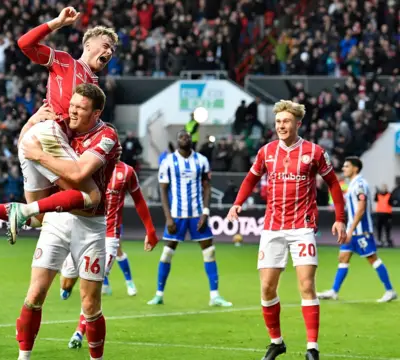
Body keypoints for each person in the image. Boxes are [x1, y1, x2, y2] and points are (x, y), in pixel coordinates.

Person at [0, 7, 118, 243]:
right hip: (49, 135)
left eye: (113, 49)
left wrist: (109, 145)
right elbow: (24, 44)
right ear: (88, 44)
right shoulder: (66, 61)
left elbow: (86, 129)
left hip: (35, 138)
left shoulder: (94, 85)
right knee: (91, 196)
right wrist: (57, 23)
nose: (110, 50)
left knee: (39, 217)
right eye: (106, 44)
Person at [227, 100, 347, 360]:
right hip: (272, 228)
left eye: (286, 122)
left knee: (306, 285)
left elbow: (334, 185)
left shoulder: (314, 152)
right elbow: (250, 179)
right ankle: (276, 342)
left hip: (302, 227)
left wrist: (340, 218)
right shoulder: (266, 152)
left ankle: (312, 348)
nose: (281, 126)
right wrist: (237, 204)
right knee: (267, 288)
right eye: (278, 122)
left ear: (298, 124)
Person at [10, 84, 121, 360]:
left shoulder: (106, 136)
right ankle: (23, 358)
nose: (72, 110)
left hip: (92, 227)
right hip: (58, 220)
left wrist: (40, 155)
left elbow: (79, 171)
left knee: (90, 303)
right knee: (35, 293)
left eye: (80, 108)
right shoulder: (63, 126)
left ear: (96, 113)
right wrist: (31, 120)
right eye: (72, 104)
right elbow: (25, 144)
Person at [59, 160, 158, 349]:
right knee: (66, 283)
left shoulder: (127, 172)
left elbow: (139, 200)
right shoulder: (86, 166)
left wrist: (150, 231)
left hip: (109, 237)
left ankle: (79, 333)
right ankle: (67, 285)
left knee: (92, 288)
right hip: (83, 231)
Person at [147, 129, 232, 307]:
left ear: (191, 140)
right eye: (181, 136)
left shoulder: (201, 160)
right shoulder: (168, 161)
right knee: (166, 254)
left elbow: (207, 187)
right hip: (177, 215)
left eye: (186, 136)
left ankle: (214, 296)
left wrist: (206, 212)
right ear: (177, 141)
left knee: (209, 252)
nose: (184, 138)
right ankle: (159, 294)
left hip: (197, 215)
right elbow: (163, 189)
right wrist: (168, 217)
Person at [317, 157, 397, 302]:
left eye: (346, 166)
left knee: (372, 259)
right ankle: (334, 291)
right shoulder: (352, 184)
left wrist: (351, 229)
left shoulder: (360, 184)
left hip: (361, 231)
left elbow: (361, 209)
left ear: (355, 168)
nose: (343, 169)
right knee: (343, 258)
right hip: (352, 230)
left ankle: (390, 290)